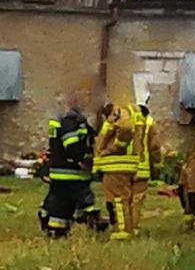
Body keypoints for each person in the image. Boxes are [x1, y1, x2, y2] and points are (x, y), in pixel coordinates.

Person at [40, 104, 95, 237]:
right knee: (77, 200)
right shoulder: (70, 121)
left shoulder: (60, 119)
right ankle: (89, 218)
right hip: (71, 172)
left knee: (62, 206)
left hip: (61, 172)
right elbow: (72, 146)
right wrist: (83, 159)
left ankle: (56, 230)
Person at [91, 101, 139, 240]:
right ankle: (124, 227)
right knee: (119, 198)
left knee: (118, 199)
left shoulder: (120, 109)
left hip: (116, 164)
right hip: (116, 165)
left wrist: (111, 150)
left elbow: (125, 129)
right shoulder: (124, 109)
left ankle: (123, 229)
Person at [131, 102, 160, 235]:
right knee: (137, 199)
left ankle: (122, 225)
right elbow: (154, 147)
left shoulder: (125, 121)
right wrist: (156, 164)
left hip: (124, 167)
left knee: (124, 198)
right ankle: (133, 226)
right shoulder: (149, 123)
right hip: (142, 167)